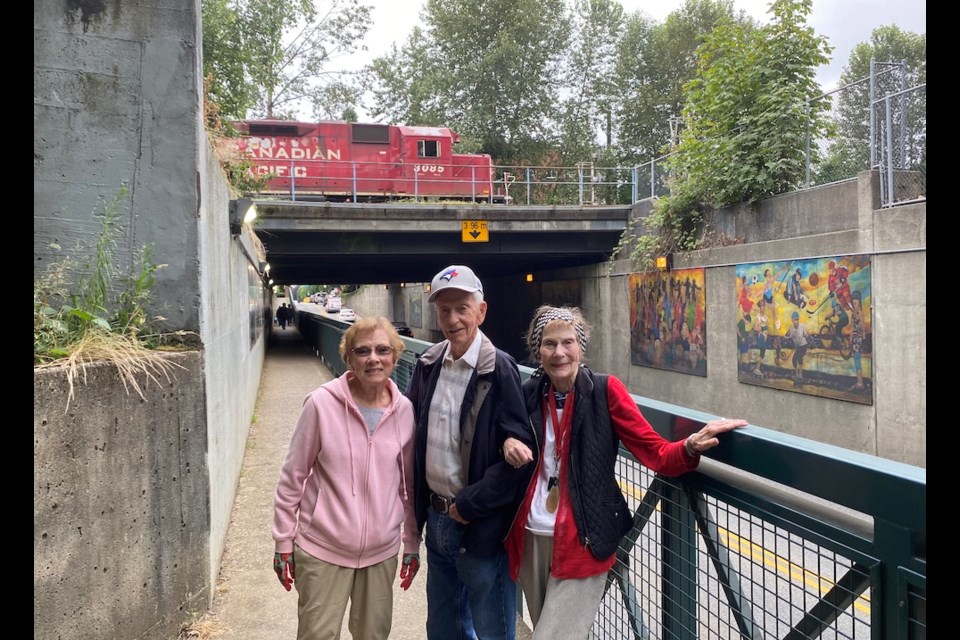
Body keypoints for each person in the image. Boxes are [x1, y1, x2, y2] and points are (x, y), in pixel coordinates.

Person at [501, 306, 747, 640]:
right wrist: (507, 442)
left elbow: (655, 451)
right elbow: (501, 436)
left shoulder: (605, 391)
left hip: (583, 540)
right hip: (531, 536)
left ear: (581, 347)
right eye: (549, 343)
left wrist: (689, 445)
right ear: (537, 350)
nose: (559, 352)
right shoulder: (528, 393)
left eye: (568, 342)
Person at [272, 317, 421, 640]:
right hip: (322, 547)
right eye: (362, 351)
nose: (373, 359)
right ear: (349, 359)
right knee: (317, 634)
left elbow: (406, 485)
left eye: (383, 350)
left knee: (373, 635)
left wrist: (412, 541)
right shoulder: (321, 404)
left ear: (395, 357)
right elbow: (292, 477)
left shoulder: (405, 411)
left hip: (381, 552)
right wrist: (283, 540)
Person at [405, 264, 533, 640]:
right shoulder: (428, 364)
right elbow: (406, 431)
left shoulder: (501, 368)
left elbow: (521, 451)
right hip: (437, 519)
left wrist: (471, 504)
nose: (453, 319)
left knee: (492, 629)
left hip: (479, 526)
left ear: (482, 311)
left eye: (462, 308)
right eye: (444, 310)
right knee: (443, 629)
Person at [784, 310, 812, 381]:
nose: (796, 321)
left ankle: (800, 374)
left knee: (798, 358)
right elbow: (786, 336)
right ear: (792, 320)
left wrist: (809, 342)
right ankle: (797, 374)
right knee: (796, 360)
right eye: (795, 320)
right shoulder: (791, 328)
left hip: (804, 345)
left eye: (797, 319)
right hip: (798, 346)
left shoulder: (802, 326)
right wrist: (784, 338)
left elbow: (806, 336)